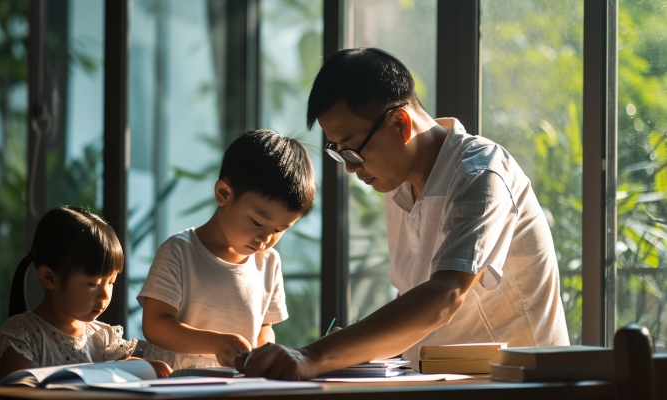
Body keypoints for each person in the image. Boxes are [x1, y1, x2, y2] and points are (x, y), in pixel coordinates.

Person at [234, 47, 570, 380]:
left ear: (399, 123)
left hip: (520, 385)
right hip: (442, 382)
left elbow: (445, 295)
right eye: (339, 153)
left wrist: (311, 356)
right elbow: (411, 298)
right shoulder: (397, 188)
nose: (350, 168)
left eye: (352, 149)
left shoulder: (480, 173)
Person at [138, 129, 316, 370]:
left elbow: (264, 328)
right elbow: (155, 325)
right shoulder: (180, 251)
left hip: (236, 384)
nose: (265, 238)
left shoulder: (269, 263)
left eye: (278, 230)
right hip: (179, 382)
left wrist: (263, 353)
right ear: (223, 194)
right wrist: (215, 343)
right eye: (257, 223)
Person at [0, 206, 172, 381]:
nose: (105, 295)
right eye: (92, 284)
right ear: (49, 277)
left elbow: (124, 369)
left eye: (111, 282)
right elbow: (16, 390)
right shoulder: (23, 336)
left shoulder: (102, 338)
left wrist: (150, 367)